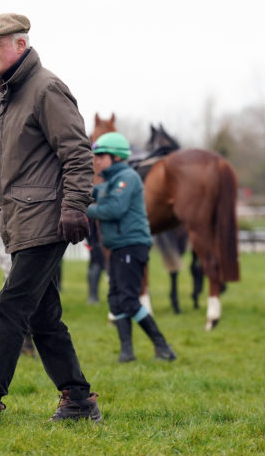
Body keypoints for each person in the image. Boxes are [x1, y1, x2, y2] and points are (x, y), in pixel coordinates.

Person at [0, 13, 100, 425]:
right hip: (20, 221)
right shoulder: (2, 97)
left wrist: (74, 206)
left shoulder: (46, 89)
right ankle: (79, 401)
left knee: (9, 307)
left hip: (47, 220)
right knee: (44, 318)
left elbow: (78, 153)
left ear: (20, 46)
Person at [85, 132, 176, 363]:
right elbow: (98, 193)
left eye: (100, 156)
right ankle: (127, 353)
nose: (96, 160)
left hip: (131, 247)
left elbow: (113, 209)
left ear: (115, 157)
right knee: (116, 299)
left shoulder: (127, 178)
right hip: (118, 248)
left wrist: (82, 210)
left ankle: (163, 347)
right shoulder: (112, 181)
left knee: (128, 299)